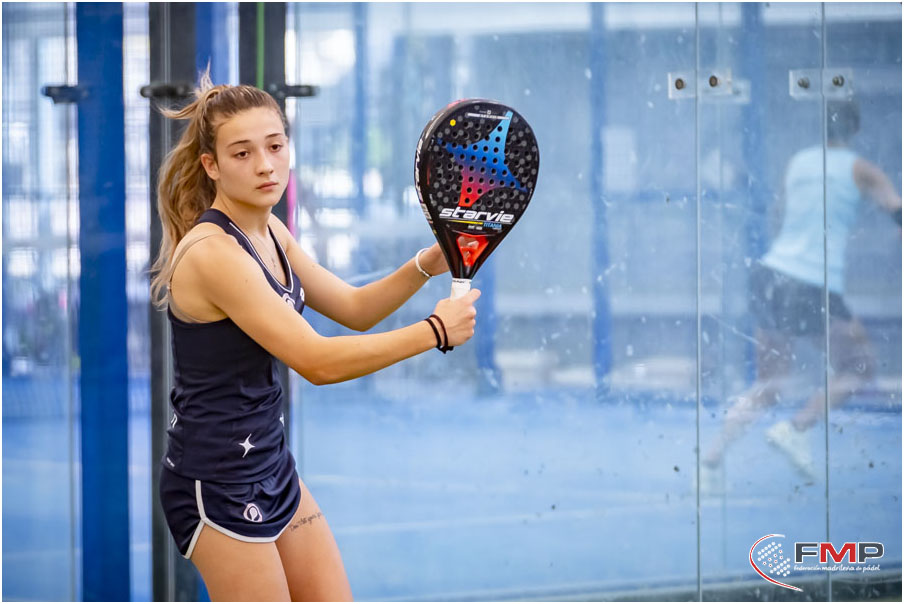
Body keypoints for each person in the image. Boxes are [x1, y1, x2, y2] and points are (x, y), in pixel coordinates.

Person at [151, 71, 481, 601]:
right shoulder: (213, 254)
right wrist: (435, 331)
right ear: (211, 165)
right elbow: (317, 362)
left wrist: (426, 262)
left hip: (273, 467)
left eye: (275, 145)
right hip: (215, 483)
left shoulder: (271, 231)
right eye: (242, 153)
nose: (265, 164)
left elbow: (354, 309)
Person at [699, 101, 901, 493]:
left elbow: (780, 214)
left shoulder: (798, 163)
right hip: (811, 281)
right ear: (856, 130)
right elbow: (897, 210)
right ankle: (797, 428)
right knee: (860, 366)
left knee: (768, 384)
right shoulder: (862, 170)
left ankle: (709, 463)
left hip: (770, 274)